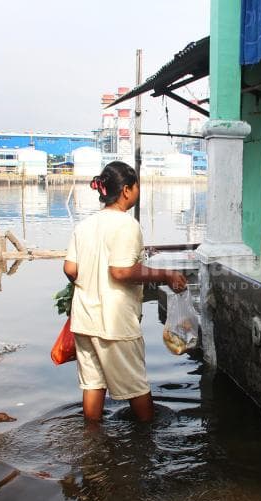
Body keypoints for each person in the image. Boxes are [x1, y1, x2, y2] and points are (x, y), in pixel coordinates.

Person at [63, 161, 187, 422]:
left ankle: (92, 443)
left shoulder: (85, 225)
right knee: (136, 385)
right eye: (137, 186)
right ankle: (146, 444)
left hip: (84, 319)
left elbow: (70, 269)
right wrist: (165, 274)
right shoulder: (127, 225)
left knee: (93, 384)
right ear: (127, 190)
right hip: (114, 321)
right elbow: (120, 271)